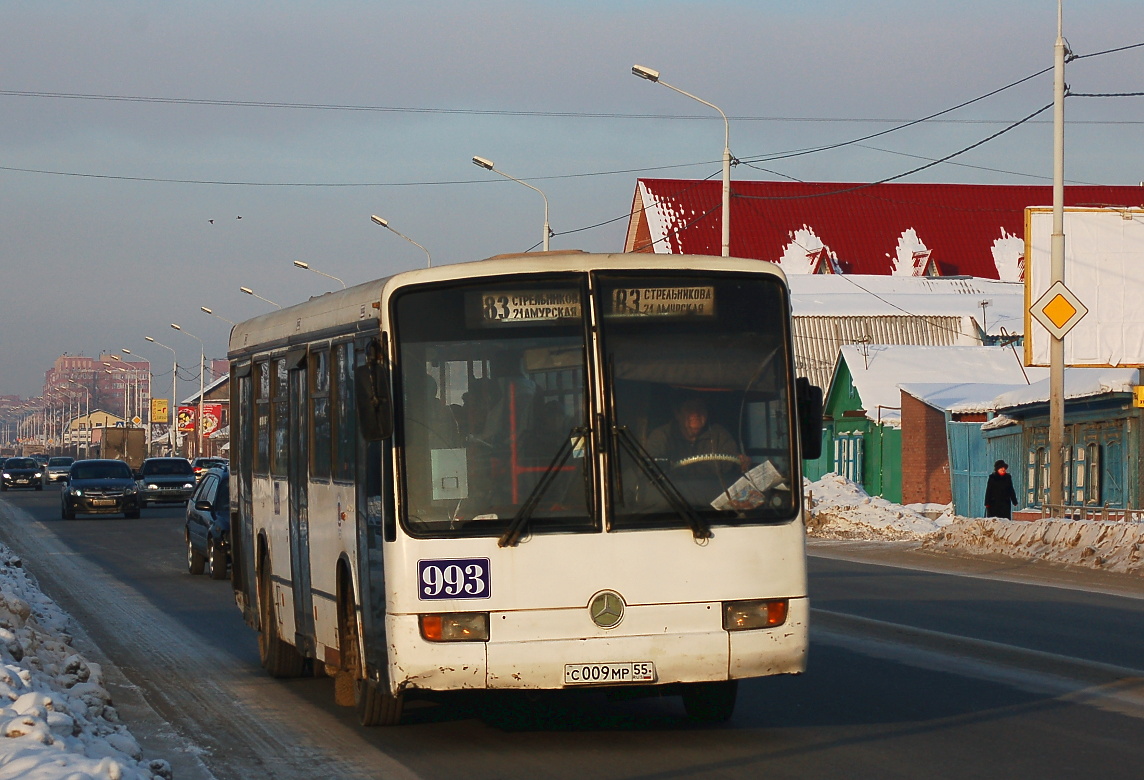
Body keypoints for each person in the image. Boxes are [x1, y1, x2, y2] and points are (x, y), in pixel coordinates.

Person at [644, 398, 748, 504]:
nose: (696, 413)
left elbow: (733, 467)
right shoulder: (662, 436)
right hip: (673, 502)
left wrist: (742, 464)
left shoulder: (719, 435)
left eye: (700, 408)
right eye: (690, 408)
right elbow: (650, 468)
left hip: (713, 502)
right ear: (677, 414)